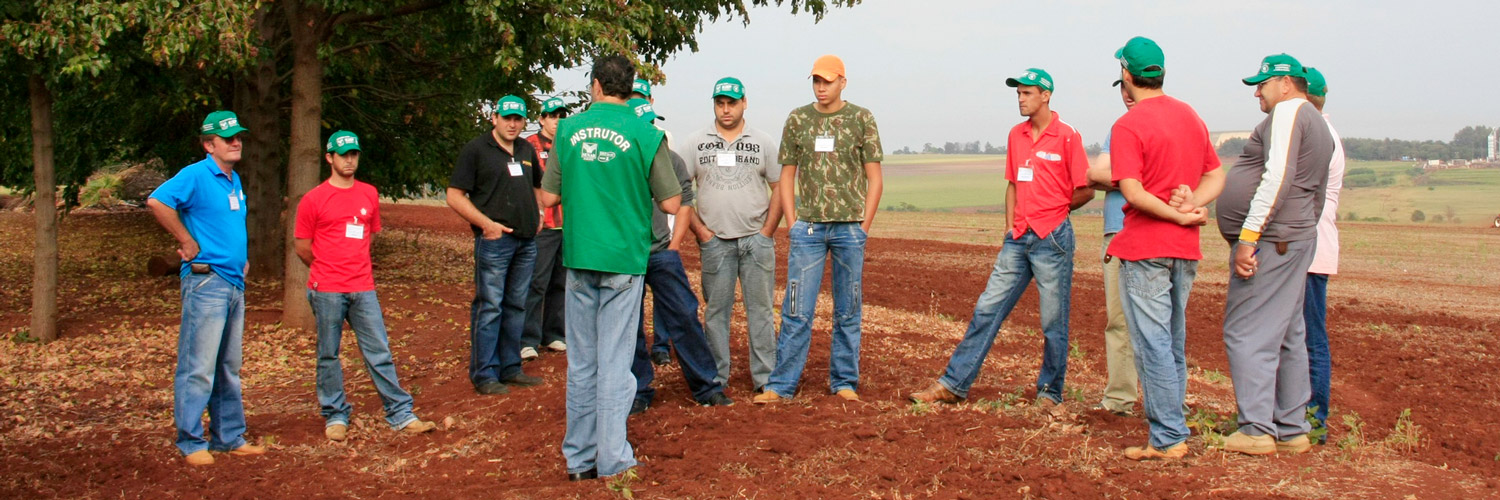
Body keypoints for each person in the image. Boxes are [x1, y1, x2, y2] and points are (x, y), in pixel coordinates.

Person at [909, 68, 1093, 408]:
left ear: (1046, 95)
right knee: (986, 309)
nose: (1021, 99)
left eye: (1027, 93)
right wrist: (1009, 226)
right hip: (1018, 237)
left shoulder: (1067, 136)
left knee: (1053, 320)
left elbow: (1086, 189)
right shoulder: (1016, 135)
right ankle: (953, 383)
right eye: (1018, 94)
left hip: (1052, 238)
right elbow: (1012, 184)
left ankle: (1050, 392)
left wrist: (1054, 212)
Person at [539, 55, 682, 481]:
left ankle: (579, 459)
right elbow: (672, 203)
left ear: (597, 85)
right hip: (624, 260)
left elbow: (548, 199)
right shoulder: (645, 132)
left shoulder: (566, 130)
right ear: (629, 87)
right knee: (616, 363)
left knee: (583, 362)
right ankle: (614, 457)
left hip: (580, 257)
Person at [1102, 37, 1225, 460]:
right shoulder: (1189, 115)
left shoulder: (1128, 124)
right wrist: (1192, 206)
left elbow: (1132, 193)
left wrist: (1175, 214)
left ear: (1127, 75)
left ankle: (1169, 437)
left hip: (1145, 248)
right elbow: (1215, 175)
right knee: (1172, 341)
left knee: (1151, 342)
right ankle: (1175, 425)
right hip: (1185, 249)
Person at [1216, 54, 1334, 456]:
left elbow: (1277, 177)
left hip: (1273, 242)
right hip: (1295, 238)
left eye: (1263, 84)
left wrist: (1249, 238)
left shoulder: (1288, 113)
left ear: (1285, 83)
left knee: (1246, 331)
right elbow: (1314, 193)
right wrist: (1302, 232)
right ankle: (1291, 428)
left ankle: (1255, 430)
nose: (1257, 92)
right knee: (1288, 332)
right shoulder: (1320, 123)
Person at [294, 130, 437, 441]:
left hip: (363, 287)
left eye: (354, 154)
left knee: (379, 351)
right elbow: (302, 246)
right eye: (343, 154)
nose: (349, 159)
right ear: (329, 158)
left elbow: (370, 234)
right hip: (327, 288)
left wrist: (353, 264)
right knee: (328, 354)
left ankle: (400, 412)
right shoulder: (314, 199)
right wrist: (327, 267)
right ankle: (335, 415)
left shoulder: (368, 193)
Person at [755, 54, 882, 404]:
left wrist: (863, 226)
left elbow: (875, 178)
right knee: (796, 308)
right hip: (808, 230)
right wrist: (793, 223)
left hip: (848, 229)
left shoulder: (861, 119)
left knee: (848, 309)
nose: (821, 87)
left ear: (843, 81)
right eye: (816, 81)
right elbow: (786, 175)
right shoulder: (798, 119)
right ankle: (781, 386)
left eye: (827, 81)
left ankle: (844, 382)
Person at [146, 110, 268, 466]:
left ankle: (229, 437)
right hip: (206, 282)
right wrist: (185, 238)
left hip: (232, 282)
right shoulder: (196, 175)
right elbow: (157, 200)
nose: (235, 142)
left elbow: (227, 224)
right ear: (208, 144)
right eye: (227, 137)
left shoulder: (234, 180)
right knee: (198, 365)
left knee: (228, 366)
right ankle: (190, 441)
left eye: (237, 136)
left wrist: (241, 259)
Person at [625, 98, 734, 415]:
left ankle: (706, 387)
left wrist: (674, 246)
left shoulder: (670, 159)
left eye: (651, 123)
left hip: (660, 251)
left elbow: (685, 202)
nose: (649, 129)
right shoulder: (618, 161)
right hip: (626, 255)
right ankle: (638, 390)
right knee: (630, 325)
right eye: (642, 124)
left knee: (685, 316)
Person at [681, 77, 782, 392]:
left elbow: (780, 189)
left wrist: (767, 231)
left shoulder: (763, 142)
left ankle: (766, 379)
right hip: (716, 243)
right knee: (715, 314)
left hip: (756, 240)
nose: (726, 110)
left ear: (744, 103)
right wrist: (701, 232)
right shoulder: (695, 143)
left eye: (732, 103)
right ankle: (716, 378)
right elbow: (680, 192)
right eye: (720, 103)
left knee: (762, 313)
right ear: (714, 104)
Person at [447, 94, 545, 395]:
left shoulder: (527, 149)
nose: (512, 124)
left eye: (518, 119)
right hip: (495, 242)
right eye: (507, 118)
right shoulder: (477, 150)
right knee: (490, 306)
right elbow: (454, 195)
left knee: (516, 304)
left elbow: (537, 185)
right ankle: (485, 373)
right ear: (495, 118)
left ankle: (510, 367)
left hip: (526, 241)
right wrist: (486, 224)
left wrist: (538, 213)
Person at [1084, 79, 1140, 416]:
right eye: (1122, 87)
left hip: (1150, 235)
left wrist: (1118, 176)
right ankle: (1119, 398)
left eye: (1131, 85)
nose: (1126, 94)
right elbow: (1094, 175)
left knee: (1161, 322)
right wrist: (1137, 176)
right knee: (1118, 321)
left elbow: (1105, 174)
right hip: (1116, 234)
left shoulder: (1166, 122)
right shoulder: (1117, 129)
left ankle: (1170, 400)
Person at [1300, 67, 1344, 444]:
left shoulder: (1318, 136)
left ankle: (1314, 420)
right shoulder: (1324, 132)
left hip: (1309, 251)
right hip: (1313, 248)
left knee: (1310, 338)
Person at [521, 97, 571, 361]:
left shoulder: (569, 143)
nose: (557, 121)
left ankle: (553, 334)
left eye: (561, 115)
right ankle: (527, 338)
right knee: (536, 282)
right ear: (542, 119)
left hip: (567, 225)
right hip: (543, 226)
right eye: (552, 116)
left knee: (560, 283)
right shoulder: (529, 146)